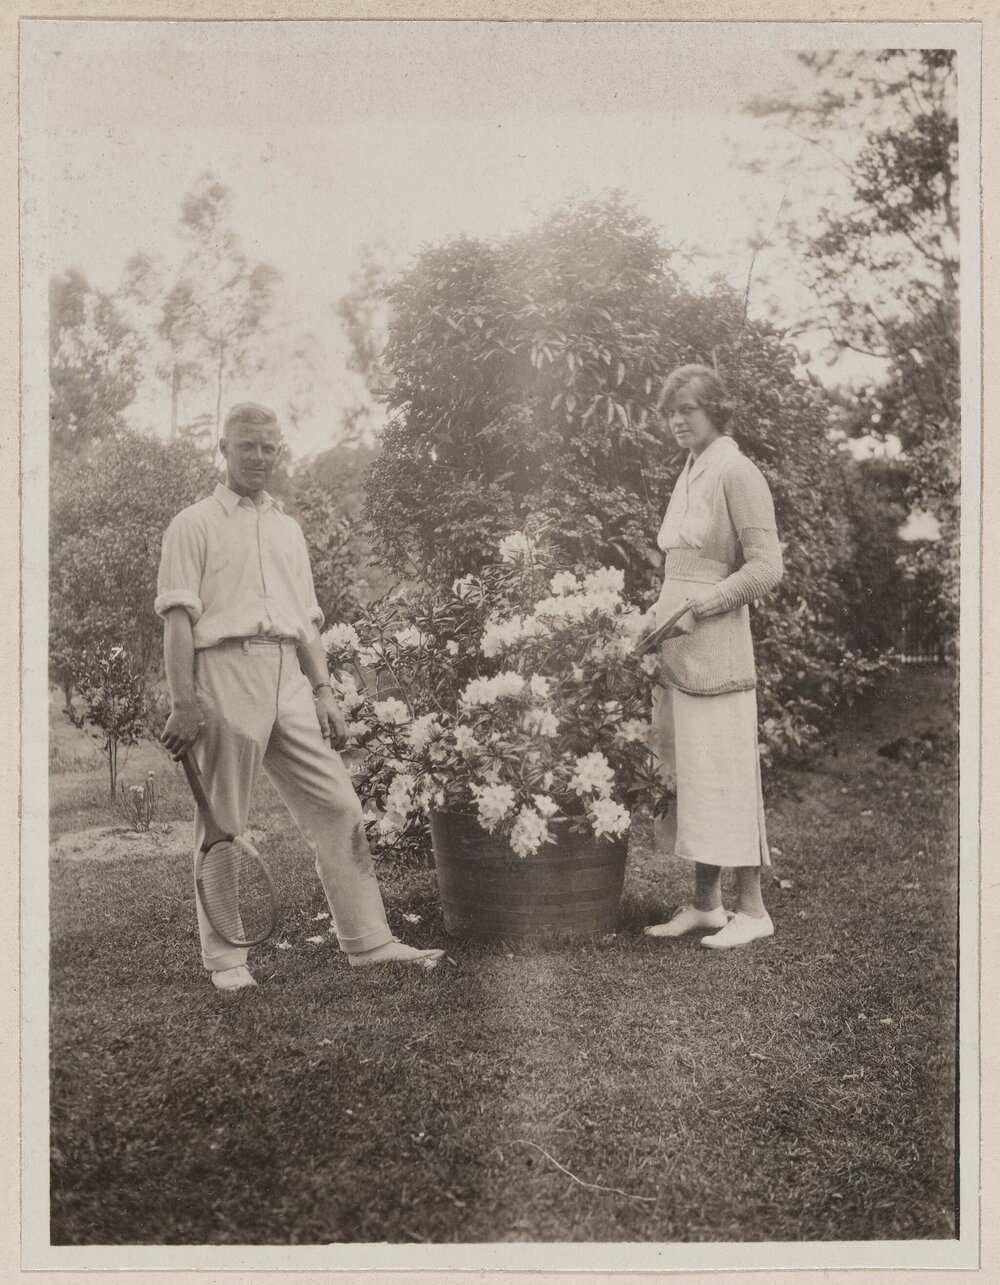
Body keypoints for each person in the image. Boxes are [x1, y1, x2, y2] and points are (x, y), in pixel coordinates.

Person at [156, 402, 444, 989]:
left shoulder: (287, 529)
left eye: (268, 447)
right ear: (224, 449)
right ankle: (228, 960)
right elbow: (179, 620)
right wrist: (185, 700)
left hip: (289, 673)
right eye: (247, 447)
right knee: (224, 823)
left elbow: (307, 624)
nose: (259, 457)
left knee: (338, 804)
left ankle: (368, 941)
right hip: (224, 671)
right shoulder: (194, 523)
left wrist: (324, 691)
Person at [643, 365, 784, 950]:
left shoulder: (737, 470)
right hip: (676, 644)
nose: (678, 420)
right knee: (693, 775)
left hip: (717, 646)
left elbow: (766, 567)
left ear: (716, 411)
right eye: (671, 411)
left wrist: (705, 604)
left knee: (725, 773)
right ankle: (706, 903)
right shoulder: (691, 471)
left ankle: (752, 909)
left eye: (689, 410)